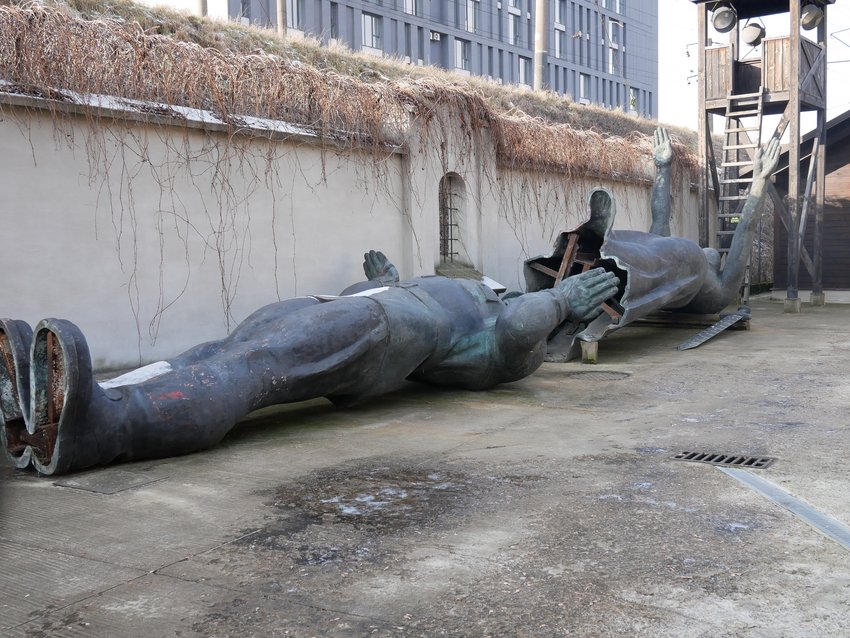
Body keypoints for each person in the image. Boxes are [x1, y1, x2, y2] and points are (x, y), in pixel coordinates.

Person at [0, 256, 619, 475]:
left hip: (390, 330)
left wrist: (564, 299)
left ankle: (103, 429)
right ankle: (58, 405)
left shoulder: (513, 348)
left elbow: (515, 330)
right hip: (364, 307)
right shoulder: (493, 297)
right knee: (214, 353)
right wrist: (382, 281)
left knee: (247, 369)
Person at [524, 127, 781, 356]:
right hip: (667, 263)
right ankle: (605, 258)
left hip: (663, 259)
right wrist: (759, 181)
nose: (711, 252)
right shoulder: (713, 290)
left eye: (712, 254)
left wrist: (662, 168)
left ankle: (604, 255)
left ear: (712, 262)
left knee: (647, 256)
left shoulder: (704, 283)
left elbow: (662, 217)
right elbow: (743, 233)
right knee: (648, 259)